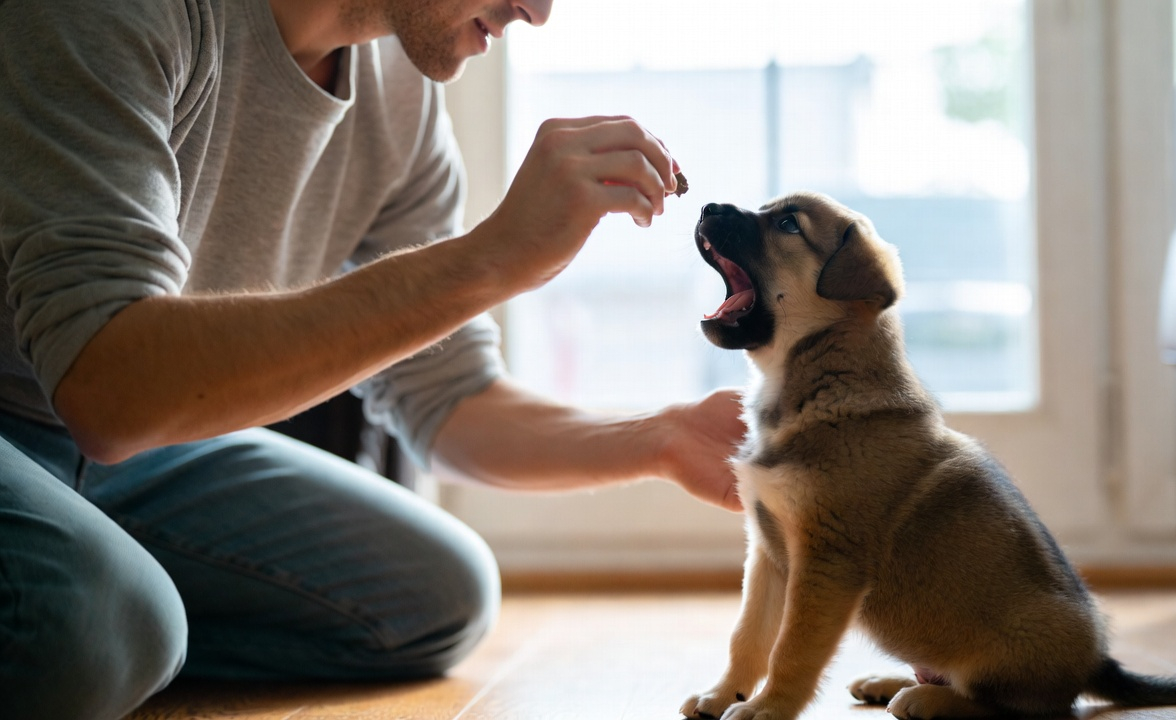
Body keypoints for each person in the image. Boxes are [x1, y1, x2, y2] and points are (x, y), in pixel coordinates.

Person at [0, 0, 746, 717]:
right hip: (34, 416)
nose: (538, 11)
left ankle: (124, 631)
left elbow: (449, 398)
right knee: (101, 623)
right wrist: (490, 259)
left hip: (134, 449)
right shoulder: (117, 11)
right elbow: (107, 389)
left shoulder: (399, 92)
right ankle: (120, 630)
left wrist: (663, 437)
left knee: (433, 595)